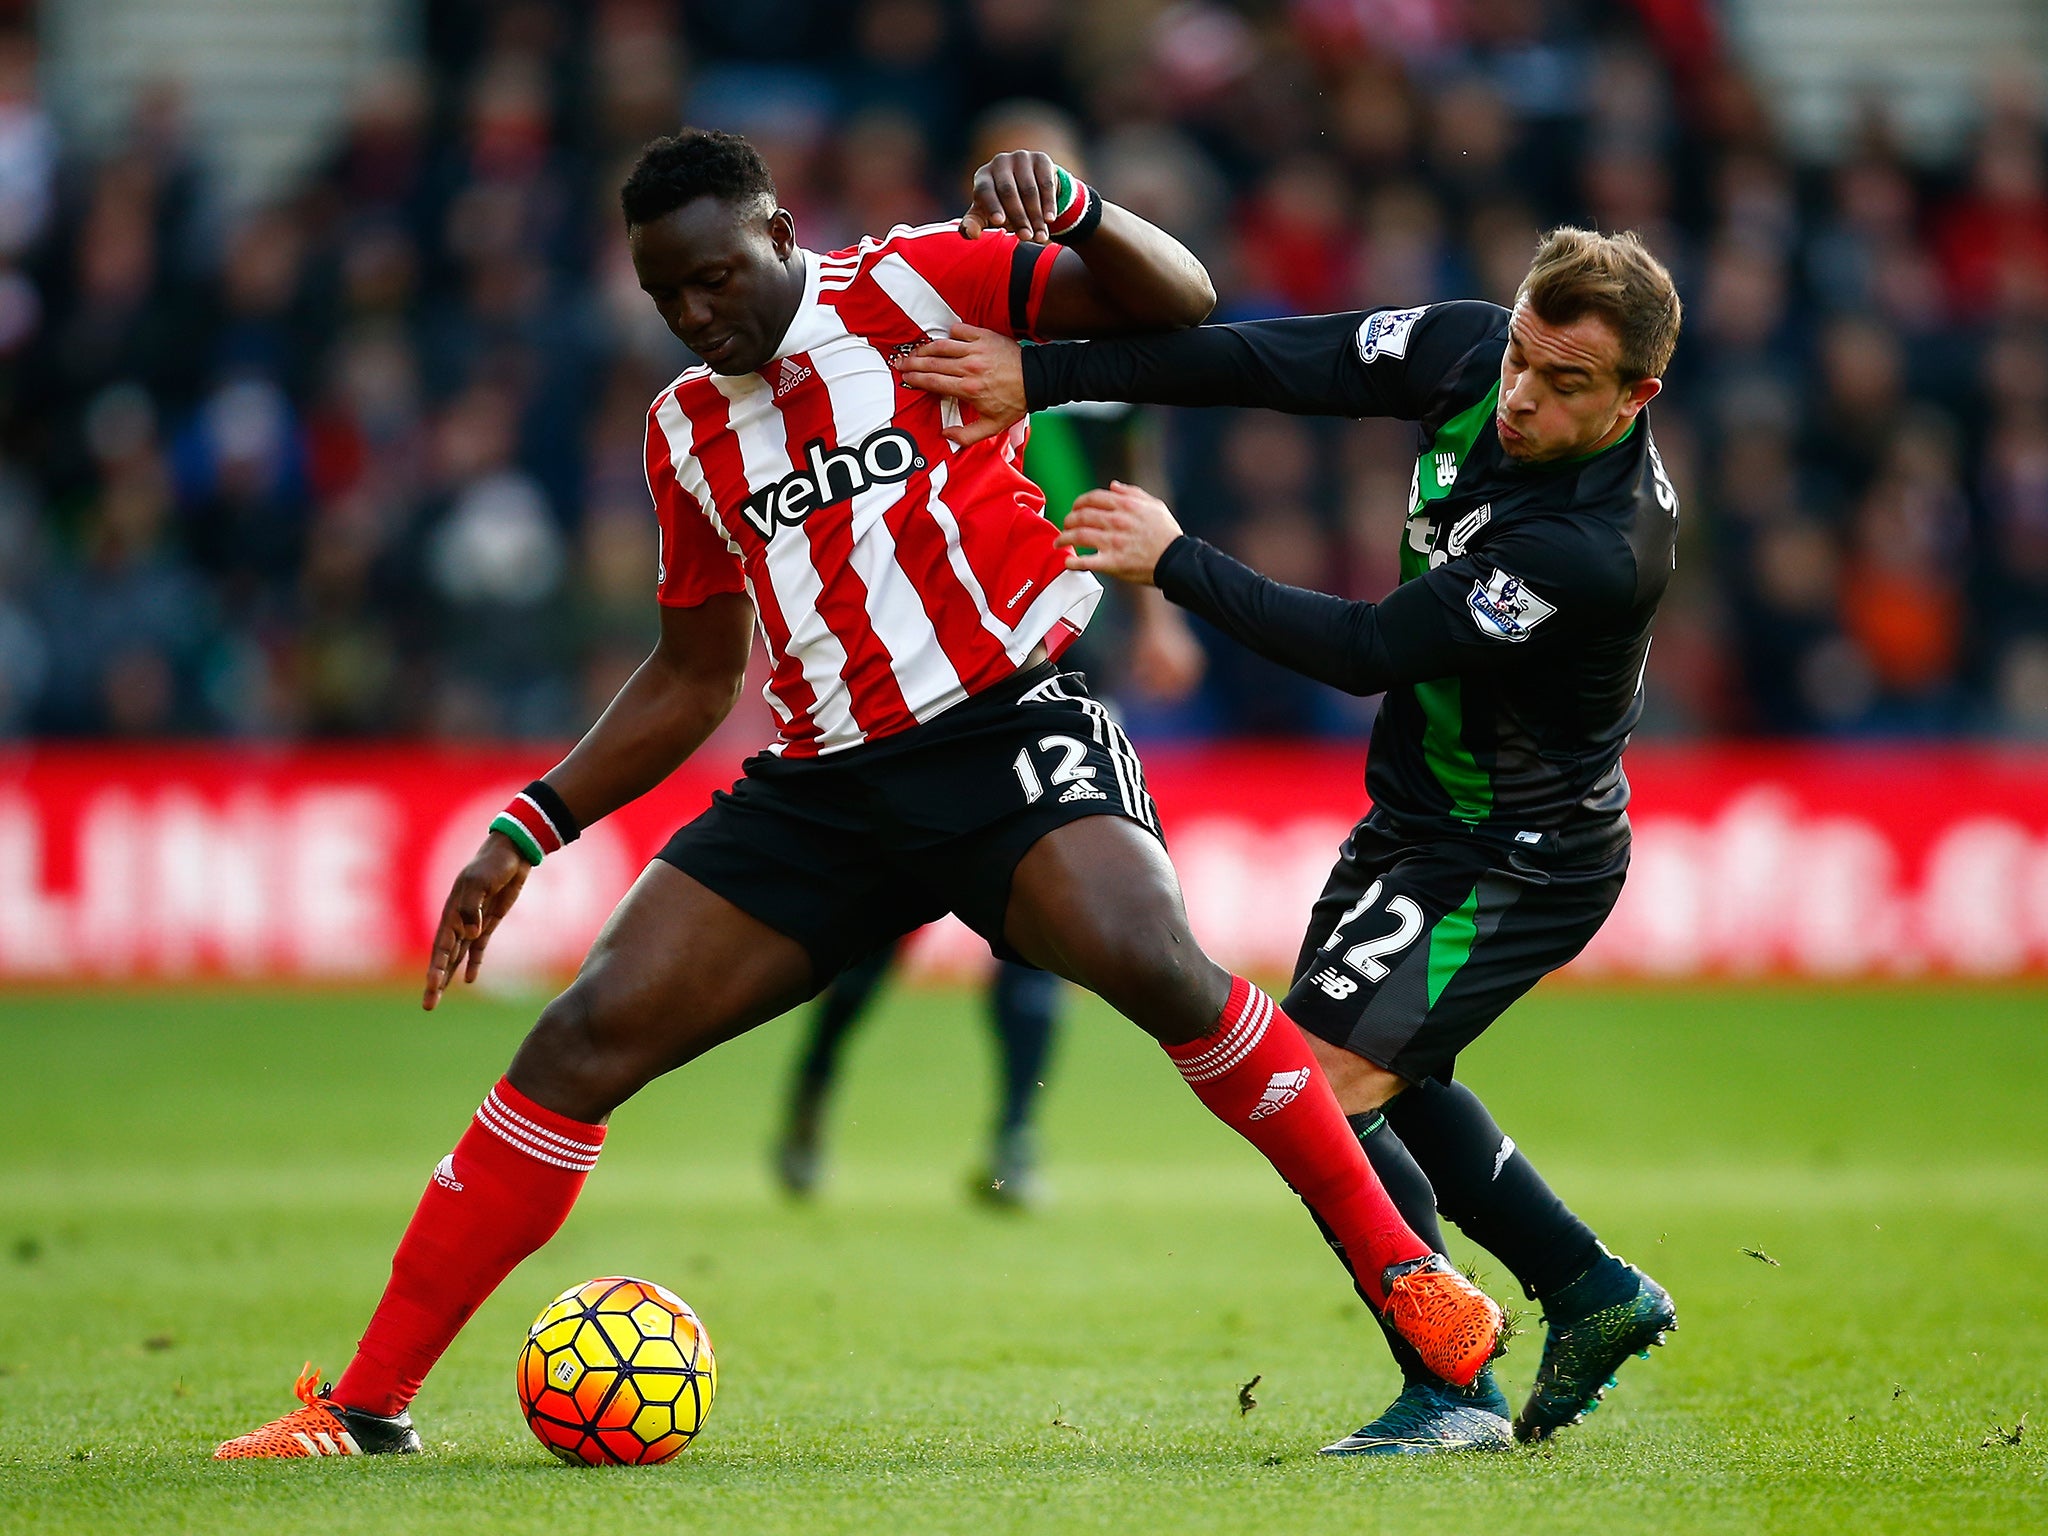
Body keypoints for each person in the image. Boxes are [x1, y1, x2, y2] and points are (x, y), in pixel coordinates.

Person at [212, 128, 1500, 1460]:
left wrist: (1080, 211)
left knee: (1157, 963)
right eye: (666, 298)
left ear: (777, 231)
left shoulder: (916, 282)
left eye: (714, 278)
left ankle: (1420, 1309)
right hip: (825, 785)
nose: (696, 316)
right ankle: (366, 1412)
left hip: (1005, 726)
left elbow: (1176, 303)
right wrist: (529, 824)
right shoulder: (685, 432)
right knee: (577, 1043)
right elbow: (693, 675)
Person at [896, 226, 1684, 1455]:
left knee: (1318, 1085)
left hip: (1516, 854)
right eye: (1522, 356)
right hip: (1418, 817)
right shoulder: (1471, 350)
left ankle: (1452, 1383)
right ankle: (1587, 1289)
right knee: (1381, 1075)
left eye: (1563, 382)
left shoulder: (1591, 546)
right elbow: (1266, 361)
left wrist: (1178, 565)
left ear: (1638, 395)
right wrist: (1042, 372)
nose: (1519, 396)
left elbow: (1369, 653)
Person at [771, 103, 1205, 1212]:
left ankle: (1014, 1134)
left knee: (1044, 908)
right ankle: (814, 1093)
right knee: (881, 918)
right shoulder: (930, 303)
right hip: (924, 663)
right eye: (1006, 177)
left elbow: (1131, 446)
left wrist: (1157, 613)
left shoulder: (1104, 330)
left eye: (1046, 179)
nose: (1021, 198)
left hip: (1061, 640)